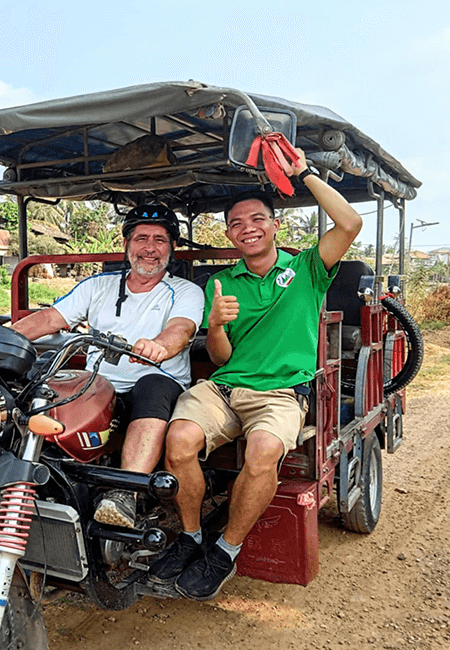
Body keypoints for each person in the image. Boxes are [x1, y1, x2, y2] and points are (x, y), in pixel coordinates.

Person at [148, 149, 363, 600]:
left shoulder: (306, 267)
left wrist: (301, 172)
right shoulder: (222, 282)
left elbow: (349, 224)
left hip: (282, 393)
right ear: (228, 234)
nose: (247, 228)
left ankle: (225, 550)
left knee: (264, 449)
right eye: (236, 223)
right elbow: (221, 358)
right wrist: (218, 324)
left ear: (274, 225)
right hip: (227, 387)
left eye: (257, 219)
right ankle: (189, 537)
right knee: (180, 438)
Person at [12, 204, 204, 527]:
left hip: (157, 381)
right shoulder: (98, 286)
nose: (149, 248)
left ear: (171, 248)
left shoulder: (186, 291)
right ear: (127, 245)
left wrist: (158, 346)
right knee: (40, 390)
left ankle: (124, 495)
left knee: (153, 385)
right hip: (99, 385)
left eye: (160, 240)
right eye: (141, 238)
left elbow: (181, 330)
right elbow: (50, 318)